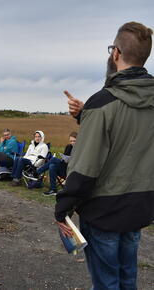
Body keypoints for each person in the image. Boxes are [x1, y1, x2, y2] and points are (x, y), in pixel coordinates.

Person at [55, 22, 154, 289]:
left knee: (107, 283)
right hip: (140, 205)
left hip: (104, 210)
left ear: (115, 53)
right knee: (126, 277)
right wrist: (85, 116)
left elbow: (85, 165)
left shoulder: (104, 102)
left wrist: (63, 206)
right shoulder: (107, 104)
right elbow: (132, 135)